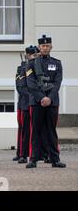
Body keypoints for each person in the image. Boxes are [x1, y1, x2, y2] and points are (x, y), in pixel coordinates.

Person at [26, 35, 66, 169]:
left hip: (52, 102)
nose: (45, 48)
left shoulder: (57, 63)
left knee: (51, 131)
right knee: (36, 131)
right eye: (43, 46)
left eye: (47, 45)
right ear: (39, 47)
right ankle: (33, 159)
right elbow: (30, 83)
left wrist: (49, 97)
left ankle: (55, 159)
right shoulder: (31, 63)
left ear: (51, 47)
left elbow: (57, 82)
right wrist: (41, 97)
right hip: (37, 102)